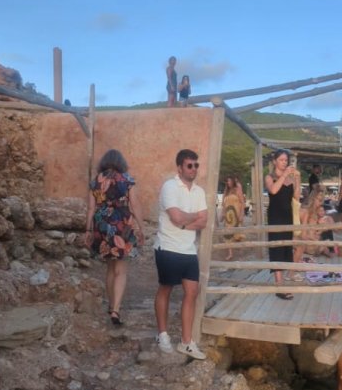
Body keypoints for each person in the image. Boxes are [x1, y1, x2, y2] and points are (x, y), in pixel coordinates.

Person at [154, 149, 208, 360]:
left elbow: (204, 221)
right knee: (165, 289)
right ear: (179, 168)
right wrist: (192, 217)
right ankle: (163, 334)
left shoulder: (199, 192)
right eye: (189, 165)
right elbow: (176, 217)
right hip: (168, 246)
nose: (193, 169)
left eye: (196, 165)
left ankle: (186, 342)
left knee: (192, 292)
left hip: (188, 249)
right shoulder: (169, 187)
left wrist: (187, 222)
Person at [84, 149, 144, 327]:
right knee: (121, 271)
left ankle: (111, 306)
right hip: (122, 227)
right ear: (121, 162)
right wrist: (141, 227)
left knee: (110, 268)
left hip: (102, 227)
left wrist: (87, 230)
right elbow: (135, 205)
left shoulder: (96, 181)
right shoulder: (126, 179)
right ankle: (116, 310)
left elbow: (90, 208)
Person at [265, 149, 299, 299]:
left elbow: (296, 196)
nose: (284, 163)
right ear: (275, 161)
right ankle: (279, 287)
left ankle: (282, 283)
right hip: (275, 217)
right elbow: (273, 190)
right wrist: (284, 175)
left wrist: (297, 179)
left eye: (286, 160)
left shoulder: (290, 178)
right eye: (281, 160)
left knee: (286, 249)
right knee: (276, 248)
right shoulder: (269, 177)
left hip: (287, 216)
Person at [219, 177, 246, 260]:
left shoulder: (237, 189)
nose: (228, 182)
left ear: (233, 181)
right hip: (228, 216)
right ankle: (230, 254)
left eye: (230, 180)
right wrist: (222, 214)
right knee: (228, 235)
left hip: (236, 215)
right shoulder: (226, 191)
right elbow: (223, 204)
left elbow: (242, 202)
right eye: (227, 181)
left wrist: (242, 214)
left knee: (238, 235)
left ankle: (241, 252)